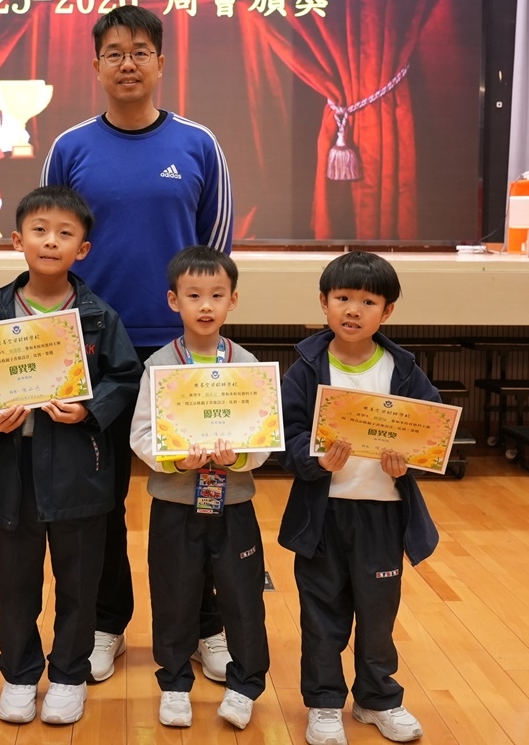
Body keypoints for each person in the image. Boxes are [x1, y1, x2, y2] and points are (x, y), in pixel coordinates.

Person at [41, 4, 235, 684]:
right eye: (114, 52)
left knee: (201, 492)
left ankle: (207, 625)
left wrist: (200, 328)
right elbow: (50, 240)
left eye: (141, 51)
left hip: (182, 355)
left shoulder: (199, 144)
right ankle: (106, 624)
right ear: (95, 65)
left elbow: (215, 254)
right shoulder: (70, 147)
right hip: (94, 355)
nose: (128, 63)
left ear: (161, 62)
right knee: (98, 503)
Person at [0, 185, 142, 725]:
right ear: (17, 240)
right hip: (14, 472)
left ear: (82, 249)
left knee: (79, 583)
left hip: (78, 469)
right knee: (15, 585)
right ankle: (20, 676)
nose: (51, 242)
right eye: (40, 231)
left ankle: (69, 676)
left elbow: (126, 378)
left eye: (65, 234)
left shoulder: (99, 316)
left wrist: (89, 411)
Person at [277, 252, 438, 745]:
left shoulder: (402, 369)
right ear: (323, 302)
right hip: (322, 518)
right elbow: (285, 437)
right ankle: (324, 704)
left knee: (377, 615)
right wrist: (316, 459)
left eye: (368, 301)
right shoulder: (306, 368)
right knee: (321, 615)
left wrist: (409, 461)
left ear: (387, 311)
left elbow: (431, 430)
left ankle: (377, 699)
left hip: (383, 516)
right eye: (343, 298)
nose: (353, 309)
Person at [129, 246, 271, 731]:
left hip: (234, 502)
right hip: (174, 503)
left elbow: (264, 437)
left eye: (216, 295)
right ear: (174, 301)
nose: (205, 305)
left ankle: (244, 686)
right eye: (193, 295)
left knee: (243, 597)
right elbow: (141, 435)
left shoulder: (246, 364)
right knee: (173, 595)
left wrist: (241, 458)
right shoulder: (159, 365)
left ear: (233, 300)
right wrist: (173, 459)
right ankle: (173, 685)